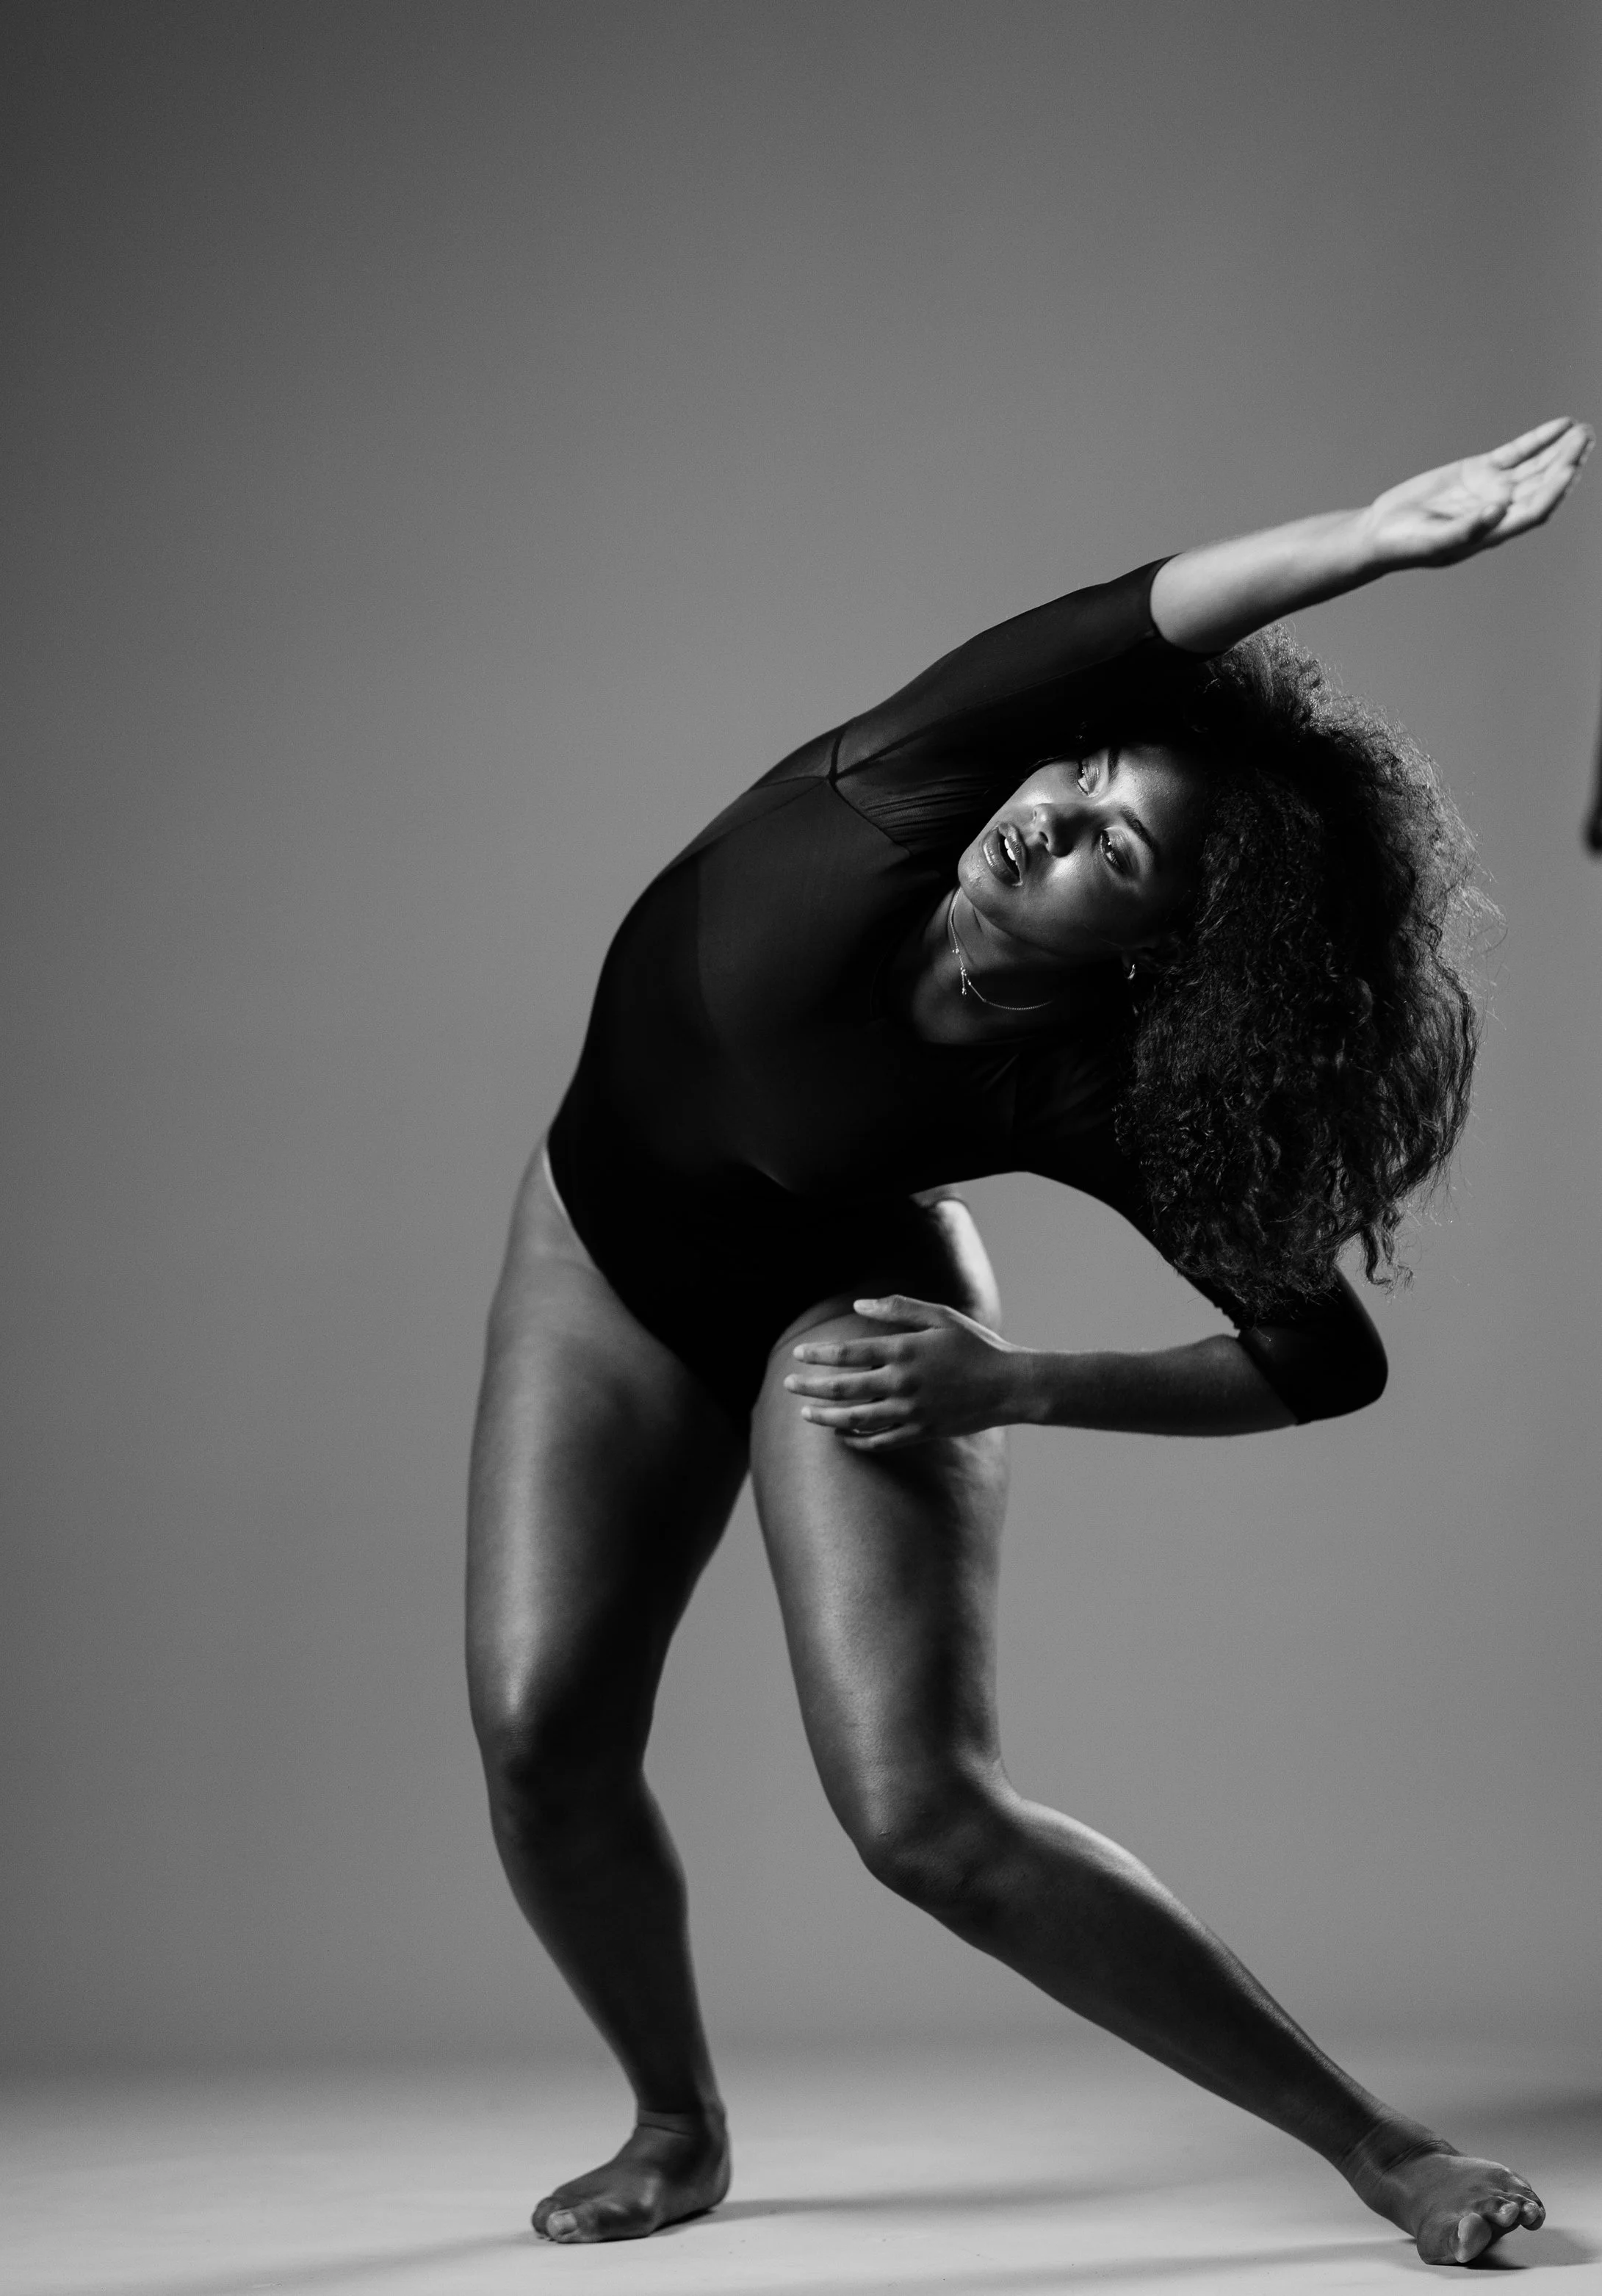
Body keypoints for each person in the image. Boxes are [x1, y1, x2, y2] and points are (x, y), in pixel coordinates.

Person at [465, 417, 1590, 2266]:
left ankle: (1383, 2149)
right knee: (539, 1740)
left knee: (922, 1818)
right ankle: (673, 2120)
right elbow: (1127, 624)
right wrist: (1376, 539)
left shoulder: (1104, 1082)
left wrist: (1012, 1383)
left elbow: (1320, 1356)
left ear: (1166, 943)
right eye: (1071, 781)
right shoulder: (897, 788)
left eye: (1114, 844)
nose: (1051, 814)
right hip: (601, 1250)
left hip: (847, 1310)